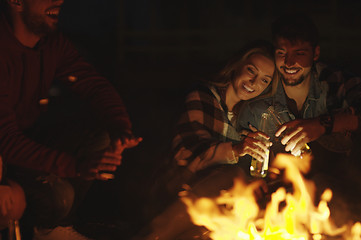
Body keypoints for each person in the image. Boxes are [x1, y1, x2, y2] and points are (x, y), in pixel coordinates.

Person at [237, 13, 361, 230]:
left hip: (338, 182)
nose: (290, 62)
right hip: (284, 190)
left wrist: (322, 125)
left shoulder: (331, 80)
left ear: (315, 53)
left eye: (300, 53)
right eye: (282, 53)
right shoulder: (263, 90)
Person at [0, 0, 141, 239]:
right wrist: (76, 166)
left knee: (100, 137)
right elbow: (6, 140)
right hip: (2, 157)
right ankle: (43, 225)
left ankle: (56, 227)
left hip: (23, 142)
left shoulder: (51, 44)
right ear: (16, 2)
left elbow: (93, 86)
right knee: (56, 196)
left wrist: (120, 129)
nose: (59, 1)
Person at [134, 40, 275, 240]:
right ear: (236, 66)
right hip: (176, 190)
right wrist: (236, 149)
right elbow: (189, 152)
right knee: (233, 176)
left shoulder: (249, 119)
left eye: (264, 80)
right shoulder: (203, 96)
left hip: (217, 206)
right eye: (251, 71)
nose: (254, 82)